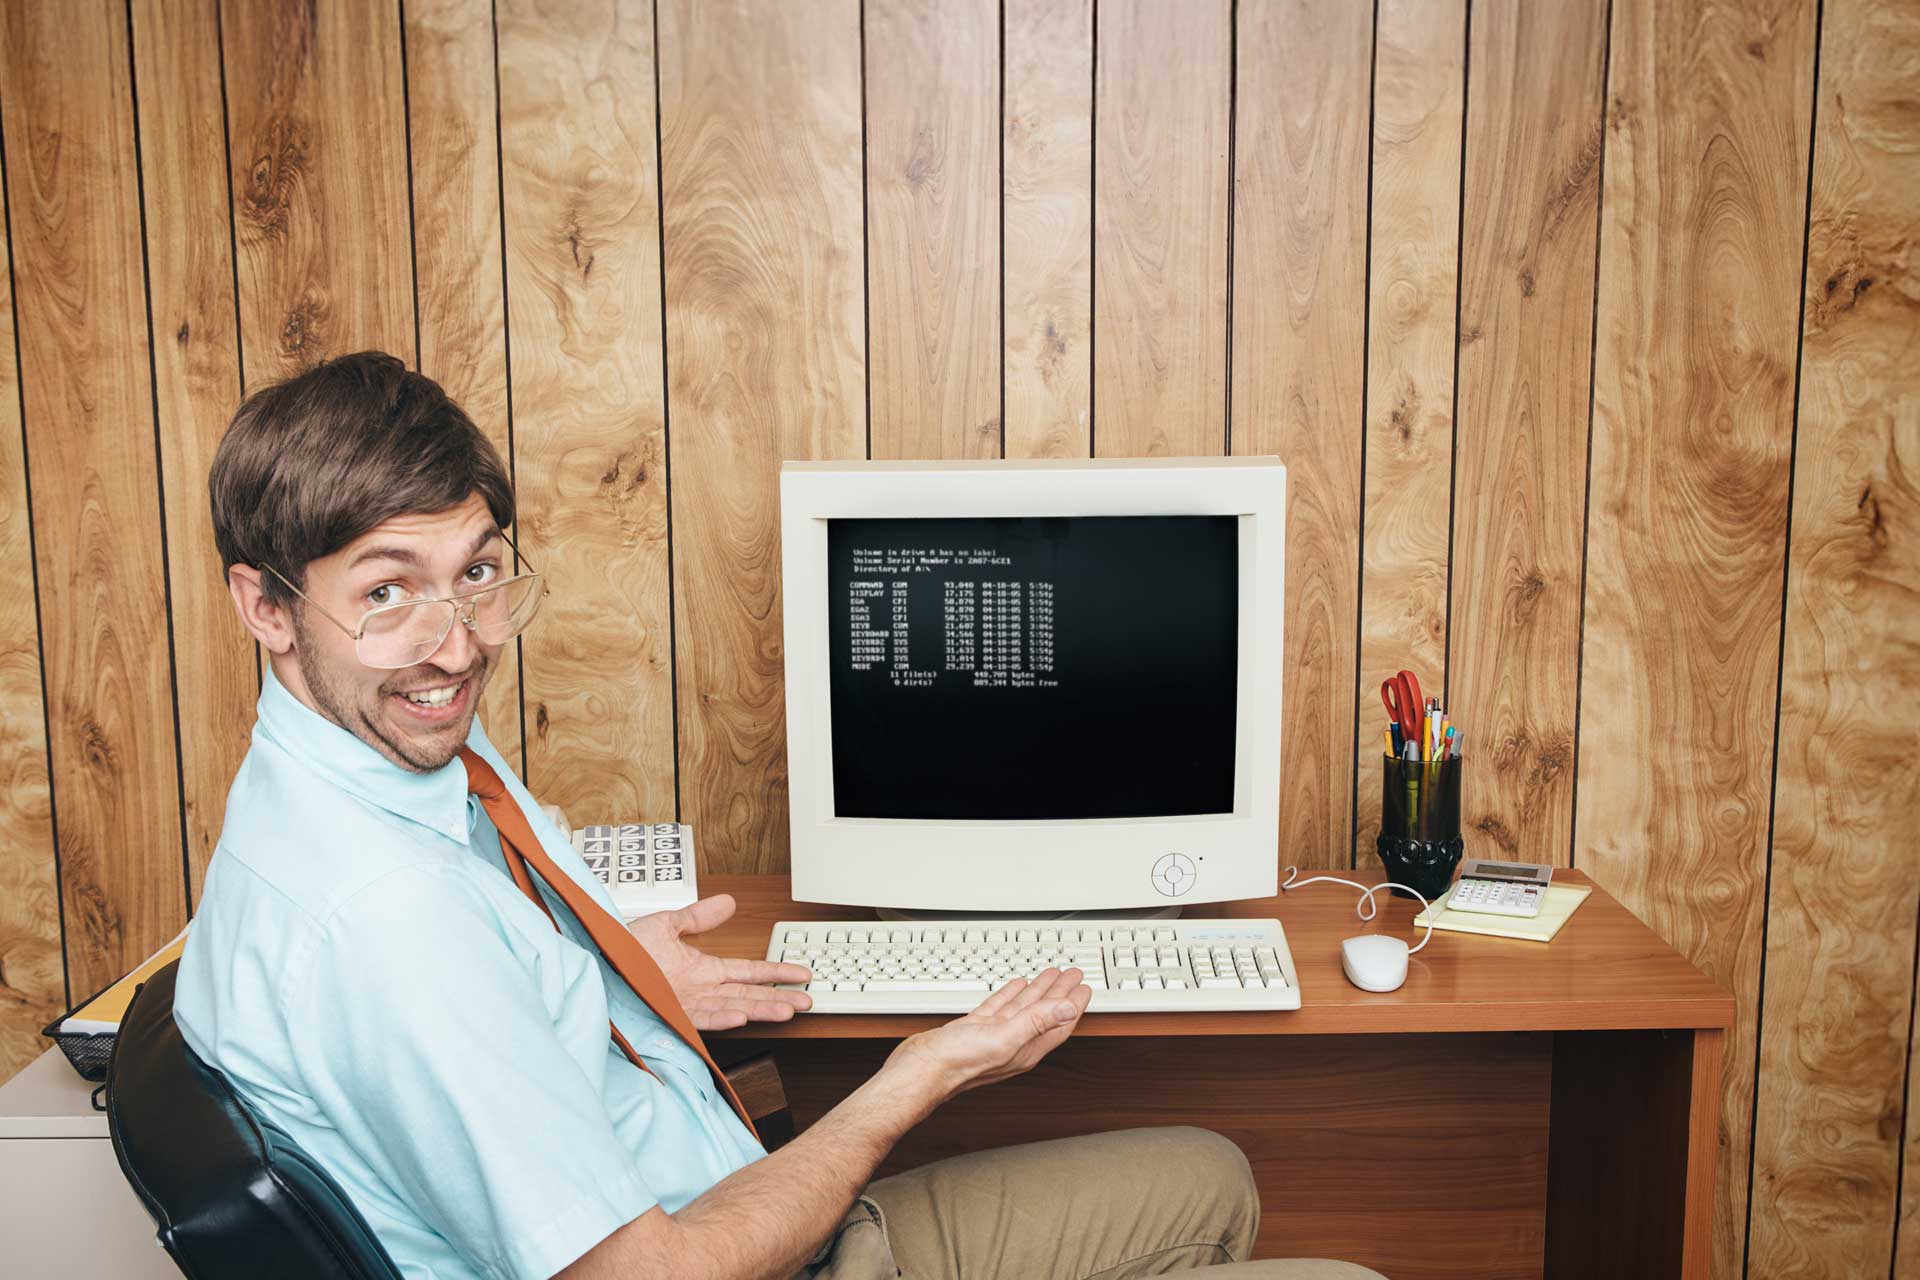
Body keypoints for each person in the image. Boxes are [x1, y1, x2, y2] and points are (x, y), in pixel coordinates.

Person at [174, 351, 1383, 1280]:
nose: (457, 644)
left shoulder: (384, 736)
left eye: (479, 571)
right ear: (264, 605)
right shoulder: (385, 923)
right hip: (726, 1252)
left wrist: (602, 971)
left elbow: (494, 950)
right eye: (387, 588)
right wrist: (917, 1076)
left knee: (1215, 1178)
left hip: (744, 1200)